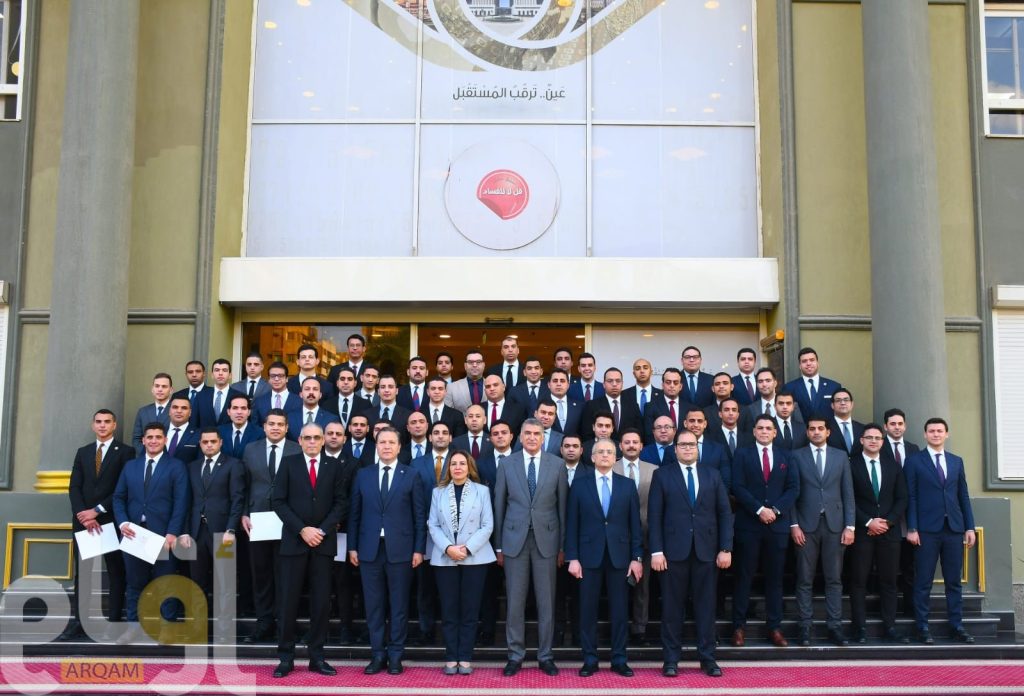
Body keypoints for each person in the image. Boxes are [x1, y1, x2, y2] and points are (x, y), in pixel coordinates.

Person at [649, 429, 733, 678]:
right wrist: (656, 551)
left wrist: (725, 548)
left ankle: (708, 658)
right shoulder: (662, 475)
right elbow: (654, 516)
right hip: (672, 553)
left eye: (692, 444)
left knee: (706, 608)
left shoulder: (712, 474)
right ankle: (671, 660)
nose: (688, 448)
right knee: (672, 609)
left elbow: (724, 513)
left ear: (698, 448)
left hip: (707, 552)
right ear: (675, 449)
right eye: (683, 445)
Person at [348, 427, 427, 675]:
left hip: (401, 551)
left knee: (399, 605)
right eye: (382, 442)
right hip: (369, 550)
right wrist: (352, 546)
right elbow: (354, 514)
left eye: (392, 442)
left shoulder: (411, 475)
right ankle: (377, 654)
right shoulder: (363, 474)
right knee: (374, 605)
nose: (387, 446)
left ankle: (395, 655)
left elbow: (419, 516)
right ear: (376, 445)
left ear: (399, 447)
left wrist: (419, 549)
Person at [271, 423, 347, 678]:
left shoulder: (334, 466)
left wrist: (321, 531)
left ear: (323, 440)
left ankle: (317, 657)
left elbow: (341, 503)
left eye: (317, 437)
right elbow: (278, 501)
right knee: (288, 602)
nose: (312, 442)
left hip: (323, 544)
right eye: (308, 438)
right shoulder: (288, 463)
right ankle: (285, 658)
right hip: (294, 542)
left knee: (321, 603)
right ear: (300, 440)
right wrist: (302, 529)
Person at [493, 418, 568, 677]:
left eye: (537, 433)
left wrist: (562, 546)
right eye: (528, 433)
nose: (533, 437)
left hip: (547, 542)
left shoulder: (557, 464)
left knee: (546, 602)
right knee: (515, 602)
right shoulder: (507, 464)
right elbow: (499, 506)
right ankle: (515, 655)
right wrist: (498, 546)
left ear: (543, 438)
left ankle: (545, 656)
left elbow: (562, 508)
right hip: (514, 541)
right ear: (520, 437)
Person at [566, 438, 643, 678]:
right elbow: (572, 523)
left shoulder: (627, 485)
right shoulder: (580, 485)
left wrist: (637, 557)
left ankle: (619, 659)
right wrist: (572, 557)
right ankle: (590, 659)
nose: (605, 455)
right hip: (588, 557)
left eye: (609, 452)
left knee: (619, 611)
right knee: (587, 610)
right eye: (600, 452)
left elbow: (635, 524)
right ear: (592, 457)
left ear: (615, 456)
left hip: (620, 557)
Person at [112, 422, 190, 643]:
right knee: (134, 583)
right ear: (143, 440)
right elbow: (118, 497)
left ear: (165, 440)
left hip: (163, 535)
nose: (154, 441)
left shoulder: (176, 466)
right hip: (135, 534)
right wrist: (123, 523)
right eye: (150, 437)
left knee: (166, 581)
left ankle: (168, 628)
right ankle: (133, 628)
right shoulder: (131, 466)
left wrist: (172, 533)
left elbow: (181, 502)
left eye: (158, 437)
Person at [62, 409, 135, 641]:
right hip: (84, 523)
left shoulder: (126, 452)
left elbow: (123, 488)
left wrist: (97, 511)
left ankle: (114, 622)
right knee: (83, 574)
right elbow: (74, 487)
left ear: (114, 425)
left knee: (115, 572)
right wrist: (84, 515)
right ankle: (80, 623)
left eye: (107, 422)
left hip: (110, 520)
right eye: (98, 422)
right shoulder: (83, 452)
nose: (102, 425)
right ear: (93, 425)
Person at [905, 417, 977, 644]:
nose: (936, 434)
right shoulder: (914, 461)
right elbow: (911, 496)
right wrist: (912, 527)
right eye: (931, 431)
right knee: (923, 581)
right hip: (926, 530)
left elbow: (963, 495)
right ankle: (922, 627)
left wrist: (969, 527)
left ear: (947, 434)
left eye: (939, 431)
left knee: (953, 581)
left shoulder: (956, 461)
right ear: (925, 434)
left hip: (954, 529)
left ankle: (956, 626)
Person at [730, 414, 799, 647]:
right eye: (760, 428)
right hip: (749, 525)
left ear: (775, 432)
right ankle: (738, 627)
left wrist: (775, 510)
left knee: (775, 579)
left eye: (769, 428)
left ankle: (774, 627)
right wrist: (759, 509)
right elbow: (737, 486)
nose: (764, 431)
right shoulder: (742, 454)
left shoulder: (786, 456)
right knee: (744, 577)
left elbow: (793, 488)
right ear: (754, 431)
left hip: (777, 527)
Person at [427, 450, 496, 675]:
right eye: (454, 464)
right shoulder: (438, 492)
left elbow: (487, 525)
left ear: (469, 467)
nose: (458, 467)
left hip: (475, 557)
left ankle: (465, 657)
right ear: (448, 468)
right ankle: (451, 657)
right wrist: (448, 548)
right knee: (449, 610)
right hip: (445, 557)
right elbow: (433, 524)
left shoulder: (482, 491)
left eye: (462, 464)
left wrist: (467, 548)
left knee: (470, 610)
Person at [790, 415, 855, 646]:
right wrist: (794, 524)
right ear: (807, 432)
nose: (816, 432)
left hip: (835, 525)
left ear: (828, 432)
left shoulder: (840, 456)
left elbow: (848, 493)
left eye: (820, 428)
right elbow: (792, 493)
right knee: (804, 579)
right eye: (812, 429)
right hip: (805, 526)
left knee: (834, 579)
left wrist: (850, 526)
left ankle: (834, 627)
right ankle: (805, 627)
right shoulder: (796, 456)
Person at [240, 408, 299, 644]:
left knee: (286, 575)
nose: (275, 428)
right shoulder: (250, 449)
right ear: (264, 427)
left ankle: (286, 624)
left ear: (286, 428)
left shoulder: (297, 448)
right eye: (271, 424)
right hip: (259, 520)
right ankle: (264, 623)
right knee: (262, 574)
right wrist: (244, 513)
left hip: (289, 521)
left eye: (280, 424)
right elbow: (244, 485)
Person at [178, 427, 244, 636]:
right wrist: (185, 531)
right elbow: (186, 502)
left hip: (223, 533)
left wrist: (231, 529)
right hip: (197, 533)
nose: (209, 445)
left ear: (220, 442)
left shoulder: (233, 465)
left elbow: (237, 499)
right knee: (197, 582)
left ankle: (224, 629)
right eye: (205, 442)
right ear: (200, 444)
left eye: (212, 441)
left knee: (225, 582)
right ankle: (198, 627)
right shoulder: (192, 467)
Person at [849, 423, 909, 644]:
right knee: (858, 581)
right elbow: (848, 498)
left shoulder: (893, 466)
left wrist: (888, 521)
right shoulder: (852, 465)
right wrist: (868, 521)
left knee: (889, 581)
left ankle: (890, 627)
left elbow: (902, 497)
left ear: (883, 442)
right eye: (869, 437)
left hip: (889, 532)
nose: (873, 441)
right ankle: (859, 628)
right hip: (862, 531)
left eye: (877, 438)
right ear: (862, 440)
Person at [613, 428, 657, 645]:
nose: (631, 445)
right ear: (620, 446)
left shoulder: (654, 470)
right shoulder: (609, 467)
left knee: (643, 585)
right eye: (627, 442)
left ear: (641, 446)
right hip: (616, 536)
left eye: (635, 442)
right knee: (616, 586)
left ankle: (640, 628)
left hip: (646, 535)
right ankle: (617, 627)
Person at [580, 367, 642, 442]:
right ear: (604, 384)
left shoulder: (633, 405)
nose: (614, 384)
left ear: (622, 384)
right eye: (610, 381)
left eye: (618, 381)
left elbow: (639, 432)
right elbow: (587, 434)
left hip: (626, 448)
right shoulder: (591, 405)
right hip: (601, 448)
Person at [783, 347, 843, 421]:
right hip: (801, 428)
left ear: (818, 363)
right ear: (800, 366)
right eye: (804, 361)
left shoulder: (834, 386)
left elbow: (840, 413)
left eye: (812, 360)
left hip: (829, 428)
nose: (808, 363)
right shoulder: (789, 387)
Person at [287, 376, 340, 441]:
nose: (311, 392)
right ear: (301, 394)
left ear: (320, 395)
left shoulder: (331, 419)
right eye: (307, 389)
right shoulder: (289, 417)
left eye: (315, 389)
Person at [131, 373, 172, 451]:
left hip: (169, 456)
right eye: (157, 386)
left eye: (164, 386)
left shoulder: (176, 410)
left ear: (171, 390)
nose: (160, 389)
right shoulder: (143, 412)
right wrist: (147, 454)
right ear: (152, 389)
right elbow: (136, 439)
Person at [253, 362, 302, 426]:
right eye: (273, 376)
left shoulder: (299, 401)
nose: (276, 379)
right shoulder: (259, 401)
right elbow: (255, 426)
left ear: (287, 379)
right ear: (269, 379)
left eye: (280, 376)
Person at [219, 394, 264, 459]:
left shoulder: (259, 433)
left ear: (249, 412)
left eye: (243, 408)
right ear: (228, 412)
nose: (239, 412)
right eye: (235, 408)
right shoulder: (220, 432)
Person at [826, 388, 864, 456]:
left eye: (846, 400)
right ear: (832, 405)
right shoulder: (825, 427)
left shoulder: (862, 428)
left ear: (852, 404)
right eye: (838, 400)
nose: (843, 403)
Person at [622, 358, 661, 424]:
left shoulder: (661, 395)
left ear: (651, 372)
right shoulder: (624, 395)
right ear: (634, 374)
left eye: (645, 368)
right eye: (638, 369)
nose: (642, 371)